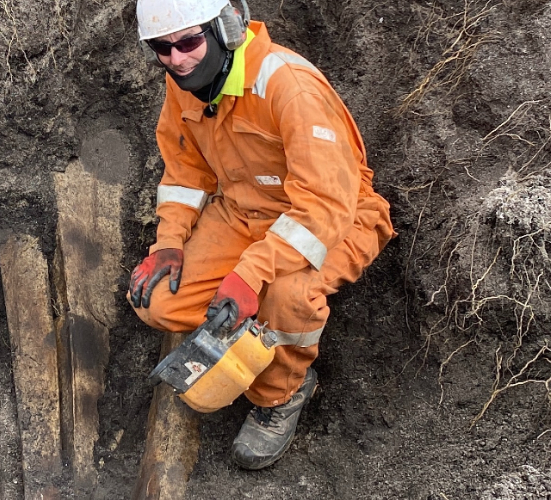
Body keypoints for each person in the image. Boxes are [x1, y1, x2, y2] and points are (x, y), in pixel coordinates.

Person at [128, 0, 396, 470]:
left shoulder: (288, 87)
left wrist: (250, 274)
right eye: (162, 49)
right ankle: (245, 335)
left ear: (226, 27)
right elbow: (184, 173)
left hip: (336, 215)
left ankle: (281, 396)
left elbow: (323, 205)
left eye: (189, 41)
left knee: (287, 297)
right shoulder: (185, 83)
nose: (177, 59)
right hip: (244, 212)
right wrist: (168, 242)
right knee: (158, 301)